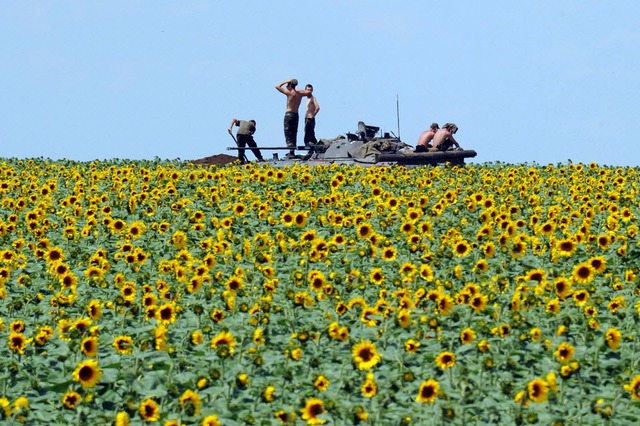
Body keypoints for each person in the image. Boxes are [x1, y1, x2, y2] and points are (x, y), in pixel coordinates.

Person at [275, 78, 311, 158]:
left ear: (290, 86)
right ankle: (292, 151)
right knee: (294, 132)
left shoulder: (289, 93)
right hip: (296, 114)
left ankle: (291, 149)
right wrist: (297, 89)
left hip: (289, 114)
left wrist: (286, 81)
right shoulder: (300, 93)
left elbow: (277, 86)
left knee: (288, 132)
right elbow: (309, 92)